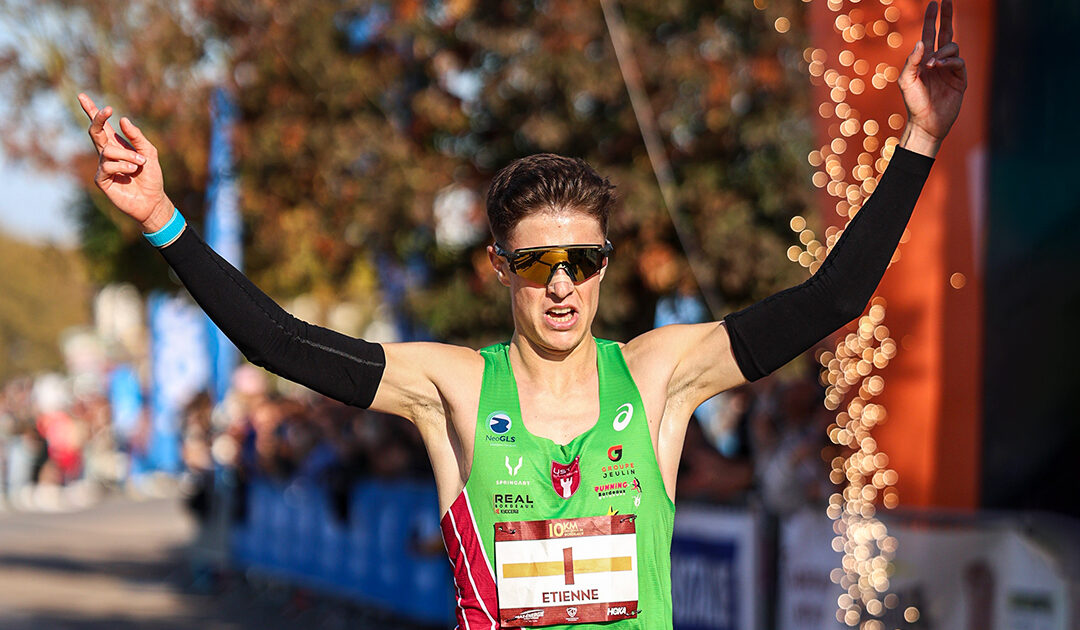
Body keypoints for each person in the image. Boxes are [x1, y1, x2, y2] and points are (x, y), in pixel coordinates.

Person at [78, 1, 965, 627]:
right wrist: (164, 220)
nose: (561, 284)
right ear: (500, 269)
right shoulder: (454, 387)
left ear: (604, 268)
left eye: (582, 261)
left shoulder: (657, 376)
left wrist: (920, 136)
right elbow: (278, 342)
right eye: (538, 263)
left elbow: (834, 299)